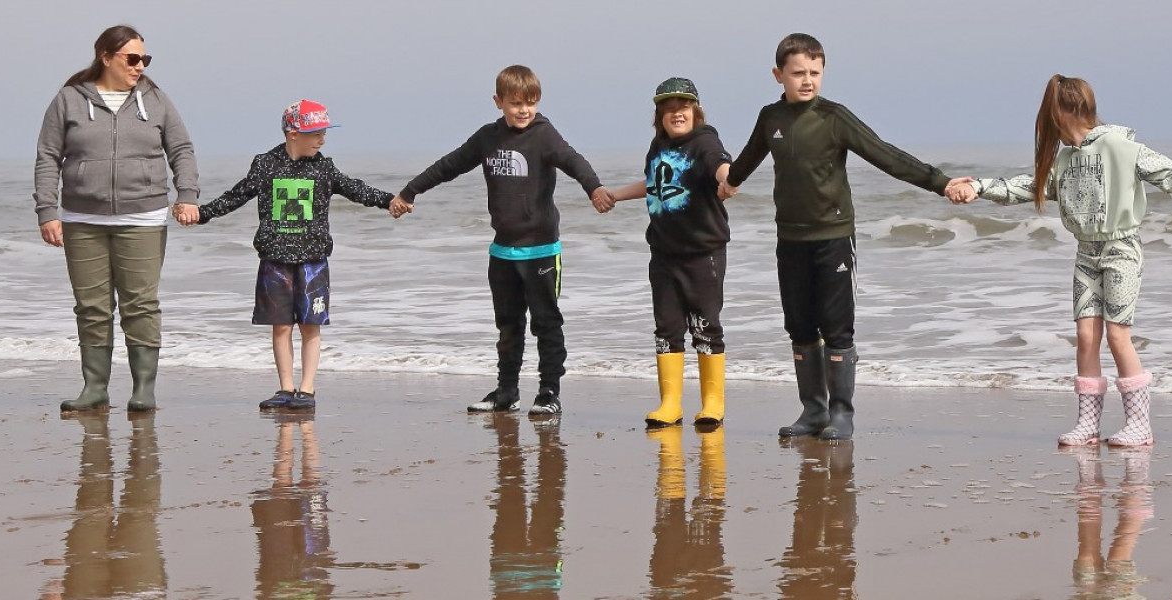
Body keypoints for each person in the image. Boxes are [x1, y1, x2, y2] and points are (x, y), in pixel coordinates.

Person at [721, 33, 973, 440]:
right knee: (799, 326)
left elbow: (884, 154)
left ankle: (841, 413)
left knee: (837, 327)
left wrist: (939, 182)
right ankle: (813, 412)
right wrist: (729, 182)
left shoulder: (834, 118)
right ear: (778, 75)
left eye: (815, 73)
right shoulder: (771, 118)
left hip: (834, 237)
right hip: (791, 239)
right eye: (798, 73)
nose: (808, 80)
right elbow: (750, 155)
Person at [953, 75, 1172, 448]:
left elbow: (1168, 174)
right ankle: (1087, 424)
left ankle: (1139, 425)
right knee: (1085, 337)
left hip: (1121, 250)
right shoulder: (1064, 159)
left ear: (1062, 113)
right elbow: (1026, 187)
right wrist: (979, 187)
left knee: (1117, 336)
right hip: (1086, 253)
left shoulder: (1121, 145)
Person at [390, 65, 616, 416]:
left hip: (541, 249)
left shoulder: (544, 135)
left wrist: (595, 188)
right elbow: (449, 165)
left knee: (546, 323)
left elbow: (573, 160)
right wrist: (410, 191)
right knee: (508, 326)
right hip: (503, 252)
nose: (524, 110)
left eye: (531, 102)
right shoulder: (487, 138)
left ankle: (548, 392)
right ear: (498, 102)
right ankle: (507, 391)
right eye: (515, 103)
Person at [189, 100, 399, 411]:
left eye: (324, 133)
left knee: (310, 325)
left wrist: (389, 200)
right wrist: (202, 214)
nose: (322, 140)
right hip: (275, 259)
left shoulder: (323, 168)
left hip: (313, 261)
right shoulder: (265, 165)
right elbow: (235, 196)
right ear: (293, 133)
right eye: (315, 133)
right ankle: (286, 388)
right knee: (281, 326)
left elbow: (356, 189)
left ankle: (307, 390)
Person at [33, 25, 200, 413]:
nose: (139, 65)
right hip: (81, 219)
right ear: (105, 57)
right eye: (131, 58)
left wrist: (187, 195)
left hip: (143, 216)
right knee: (91, 307)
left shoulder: (154, 99)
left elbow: (181, 149)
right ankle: (95, 388)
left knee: (140, 305)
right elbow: (47, 157)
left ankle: (143, 389)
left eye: (144, 59)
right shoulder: (69, 100)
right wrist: (47, 210)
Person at [601, 78, 735, 428]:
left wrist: (727, 178)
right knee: (667, 329)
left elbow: (719, 164)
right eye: (668, 107)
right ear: (659, 114)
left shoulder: (704, 141)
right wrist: (615, 194)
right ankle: (670, 404)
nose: (677, 112)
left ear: (696, 110)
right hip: (663, 253)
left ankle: (712, 403)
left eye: (684, 106)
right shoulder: (657, 147)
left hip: (702, 253)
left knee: (705, 327)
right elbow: (654, 183)